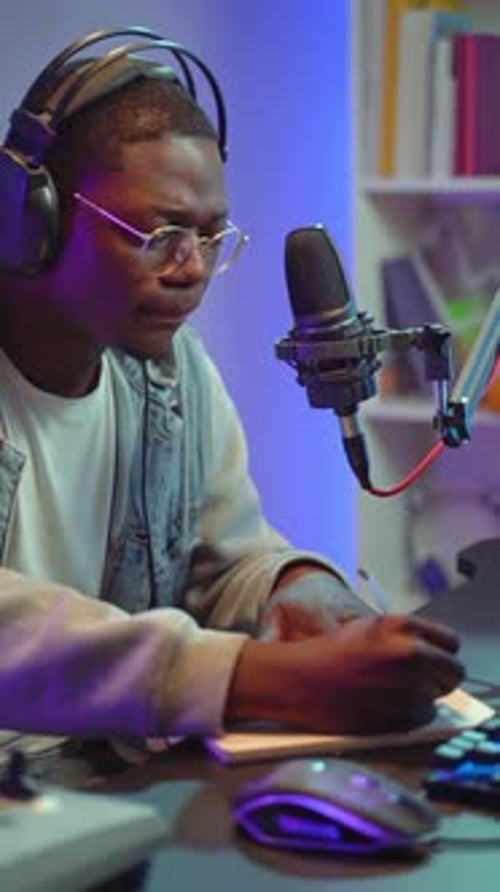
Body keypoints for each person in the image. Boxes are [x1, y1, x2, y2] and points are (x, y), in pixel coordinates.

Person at [0, 29, 464, 754]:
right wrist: (261, 678)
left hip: (99, 784)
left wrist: (297, 586)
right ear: (34, 218)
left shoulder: (172, 373)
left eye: (211, 237)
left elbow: (224, 558)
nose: (190, 269)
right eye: (159, 233)